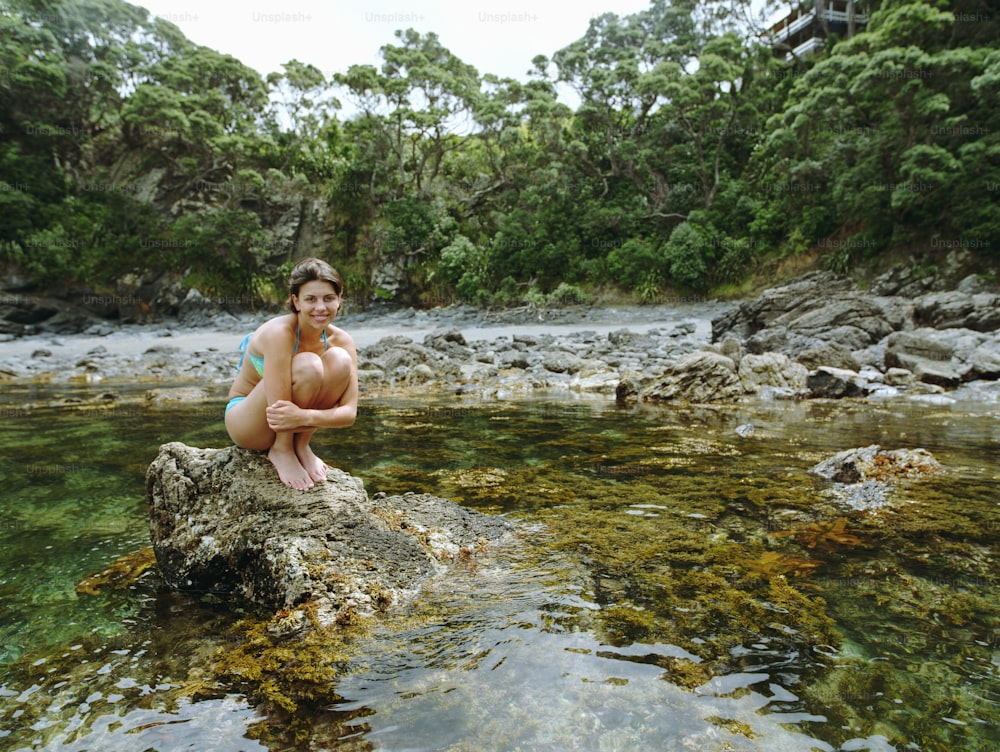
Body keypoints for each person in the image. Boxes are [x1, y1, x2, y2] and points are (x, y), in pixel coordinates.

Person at [225, 257, 358, 491]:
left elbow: (349, 414)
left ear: (339, 300)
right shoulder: (280, 332)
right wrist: (295, 426)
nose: (320, 307)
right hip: (247, 421)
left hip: (293, 422)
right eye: (310, 299)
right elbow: (279, 410)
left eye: (328, 298)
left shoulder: (342, 340)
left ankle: (301, 445)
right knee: (308, 365)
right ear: (296, 302)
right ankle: (283, 449)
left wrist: (303, 418)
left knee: (339, 360)